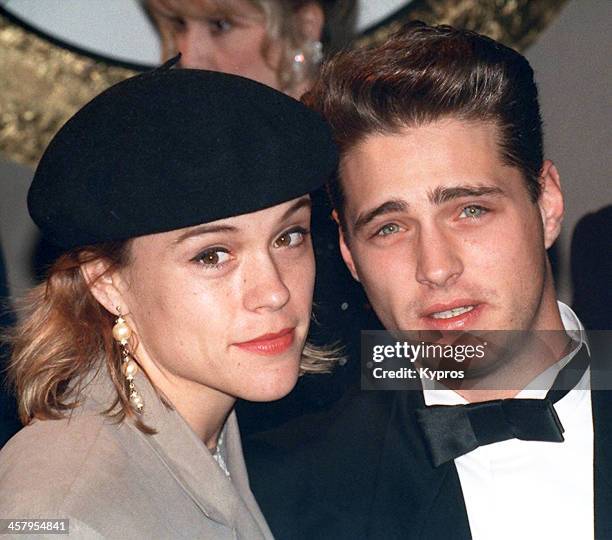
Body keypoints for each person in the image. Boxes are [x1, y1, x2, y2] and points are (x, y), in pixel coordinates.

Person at [244, 22, 612, 539]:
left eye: (470, 210)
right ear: (349, 253)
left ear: (546, 204)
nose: (435, 267)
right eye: (390, 228)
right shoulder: (277, 501)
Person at [0, 63, 339, 538]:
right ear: (107, 282)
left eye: (289, 236)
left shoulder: (207, 433)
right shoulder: (64, 510)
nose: (275, 291)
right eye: (213, 255)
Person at [146, 0, 370, 433]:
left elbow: (482, 353)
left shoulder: (368, 162)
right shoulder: (160, 170)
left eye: (221, 24)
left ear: (305, 25)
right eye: (176, 24)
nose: (190, 55)